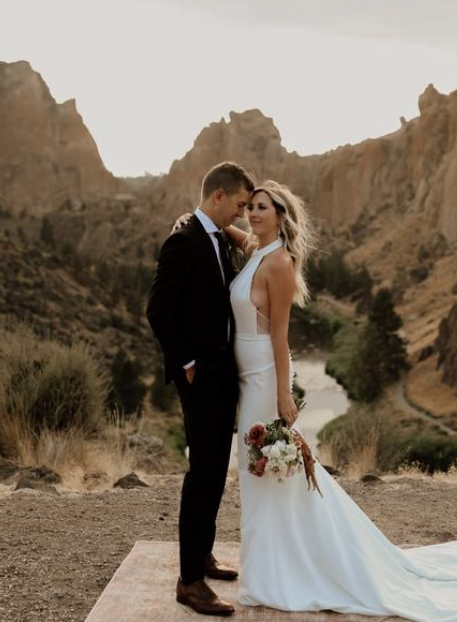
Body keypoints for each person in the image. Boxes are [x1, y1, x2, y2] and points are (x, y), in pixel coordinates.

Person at [222, 179, 457, 622]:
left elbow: (279, 336)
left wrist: (282, 394)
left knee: (268, 471)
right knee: (264, 475)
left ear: (280, 216)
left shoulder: (279, 263)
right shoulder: (257, 249)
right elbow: (239, 236)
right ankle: (276, 562)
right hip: (247, 379)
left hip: (264, 379)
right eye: (250, 207)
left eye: (262, 208)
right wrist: (206, 223)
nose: (252, 214)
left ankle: (278, 570)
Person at [146, 161, 255, 617]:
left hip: (222, 374)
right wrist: (187, 363)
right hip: (201, 377)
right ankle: (189, 581)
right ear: (219, 196)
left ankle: (203, 554)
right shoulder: (184, 240)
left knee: (214, 472)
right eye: (240, 205)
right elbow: (158, 310)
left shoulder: (213, 236)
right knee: (202, 475)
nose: (242, 214)